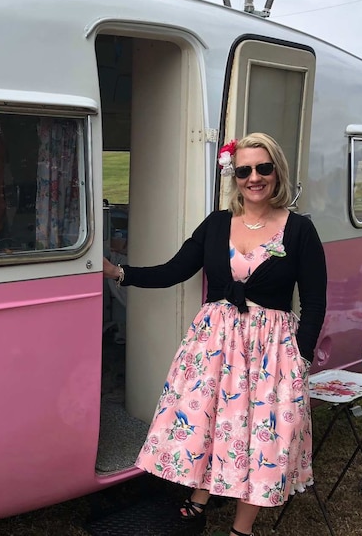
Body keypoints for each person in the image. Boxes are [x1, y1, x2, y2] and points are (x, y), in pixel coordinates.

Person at [102, 132, 327, 536]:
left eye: (263, 168)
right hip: (215, 345)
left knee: (264, 436)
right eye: (244, 170)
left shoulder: (299, 230)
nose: (254, 178)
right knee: (212, 421)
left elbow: (314, 300)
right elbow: (174, 270)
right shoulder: (217, 224)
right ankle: (200, 497)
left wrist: (301, 356)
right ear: (234, 175)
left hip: (271, 349)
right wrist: (119, 272)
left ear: (277, 171)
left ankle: (242, 528)